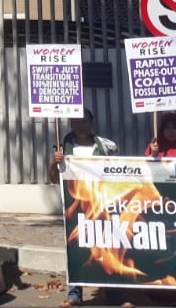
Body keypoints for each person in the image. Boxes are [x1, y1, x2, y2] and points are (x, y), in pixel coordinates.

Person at [48, 110, 125, 308]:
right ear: (71, 124)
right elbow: (54, 178)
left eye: (84, 121)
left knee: (108, 249)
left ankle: (115, 295)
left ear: (91, 123)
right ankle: (74, 295)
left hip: (102, 205)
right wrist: (53, 163)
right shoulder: (63, 147)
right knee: (77, 250)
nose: (81, 125)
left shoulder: (105, 147)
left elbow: (119, 172)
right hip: (76, 208)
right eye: (76, 121)